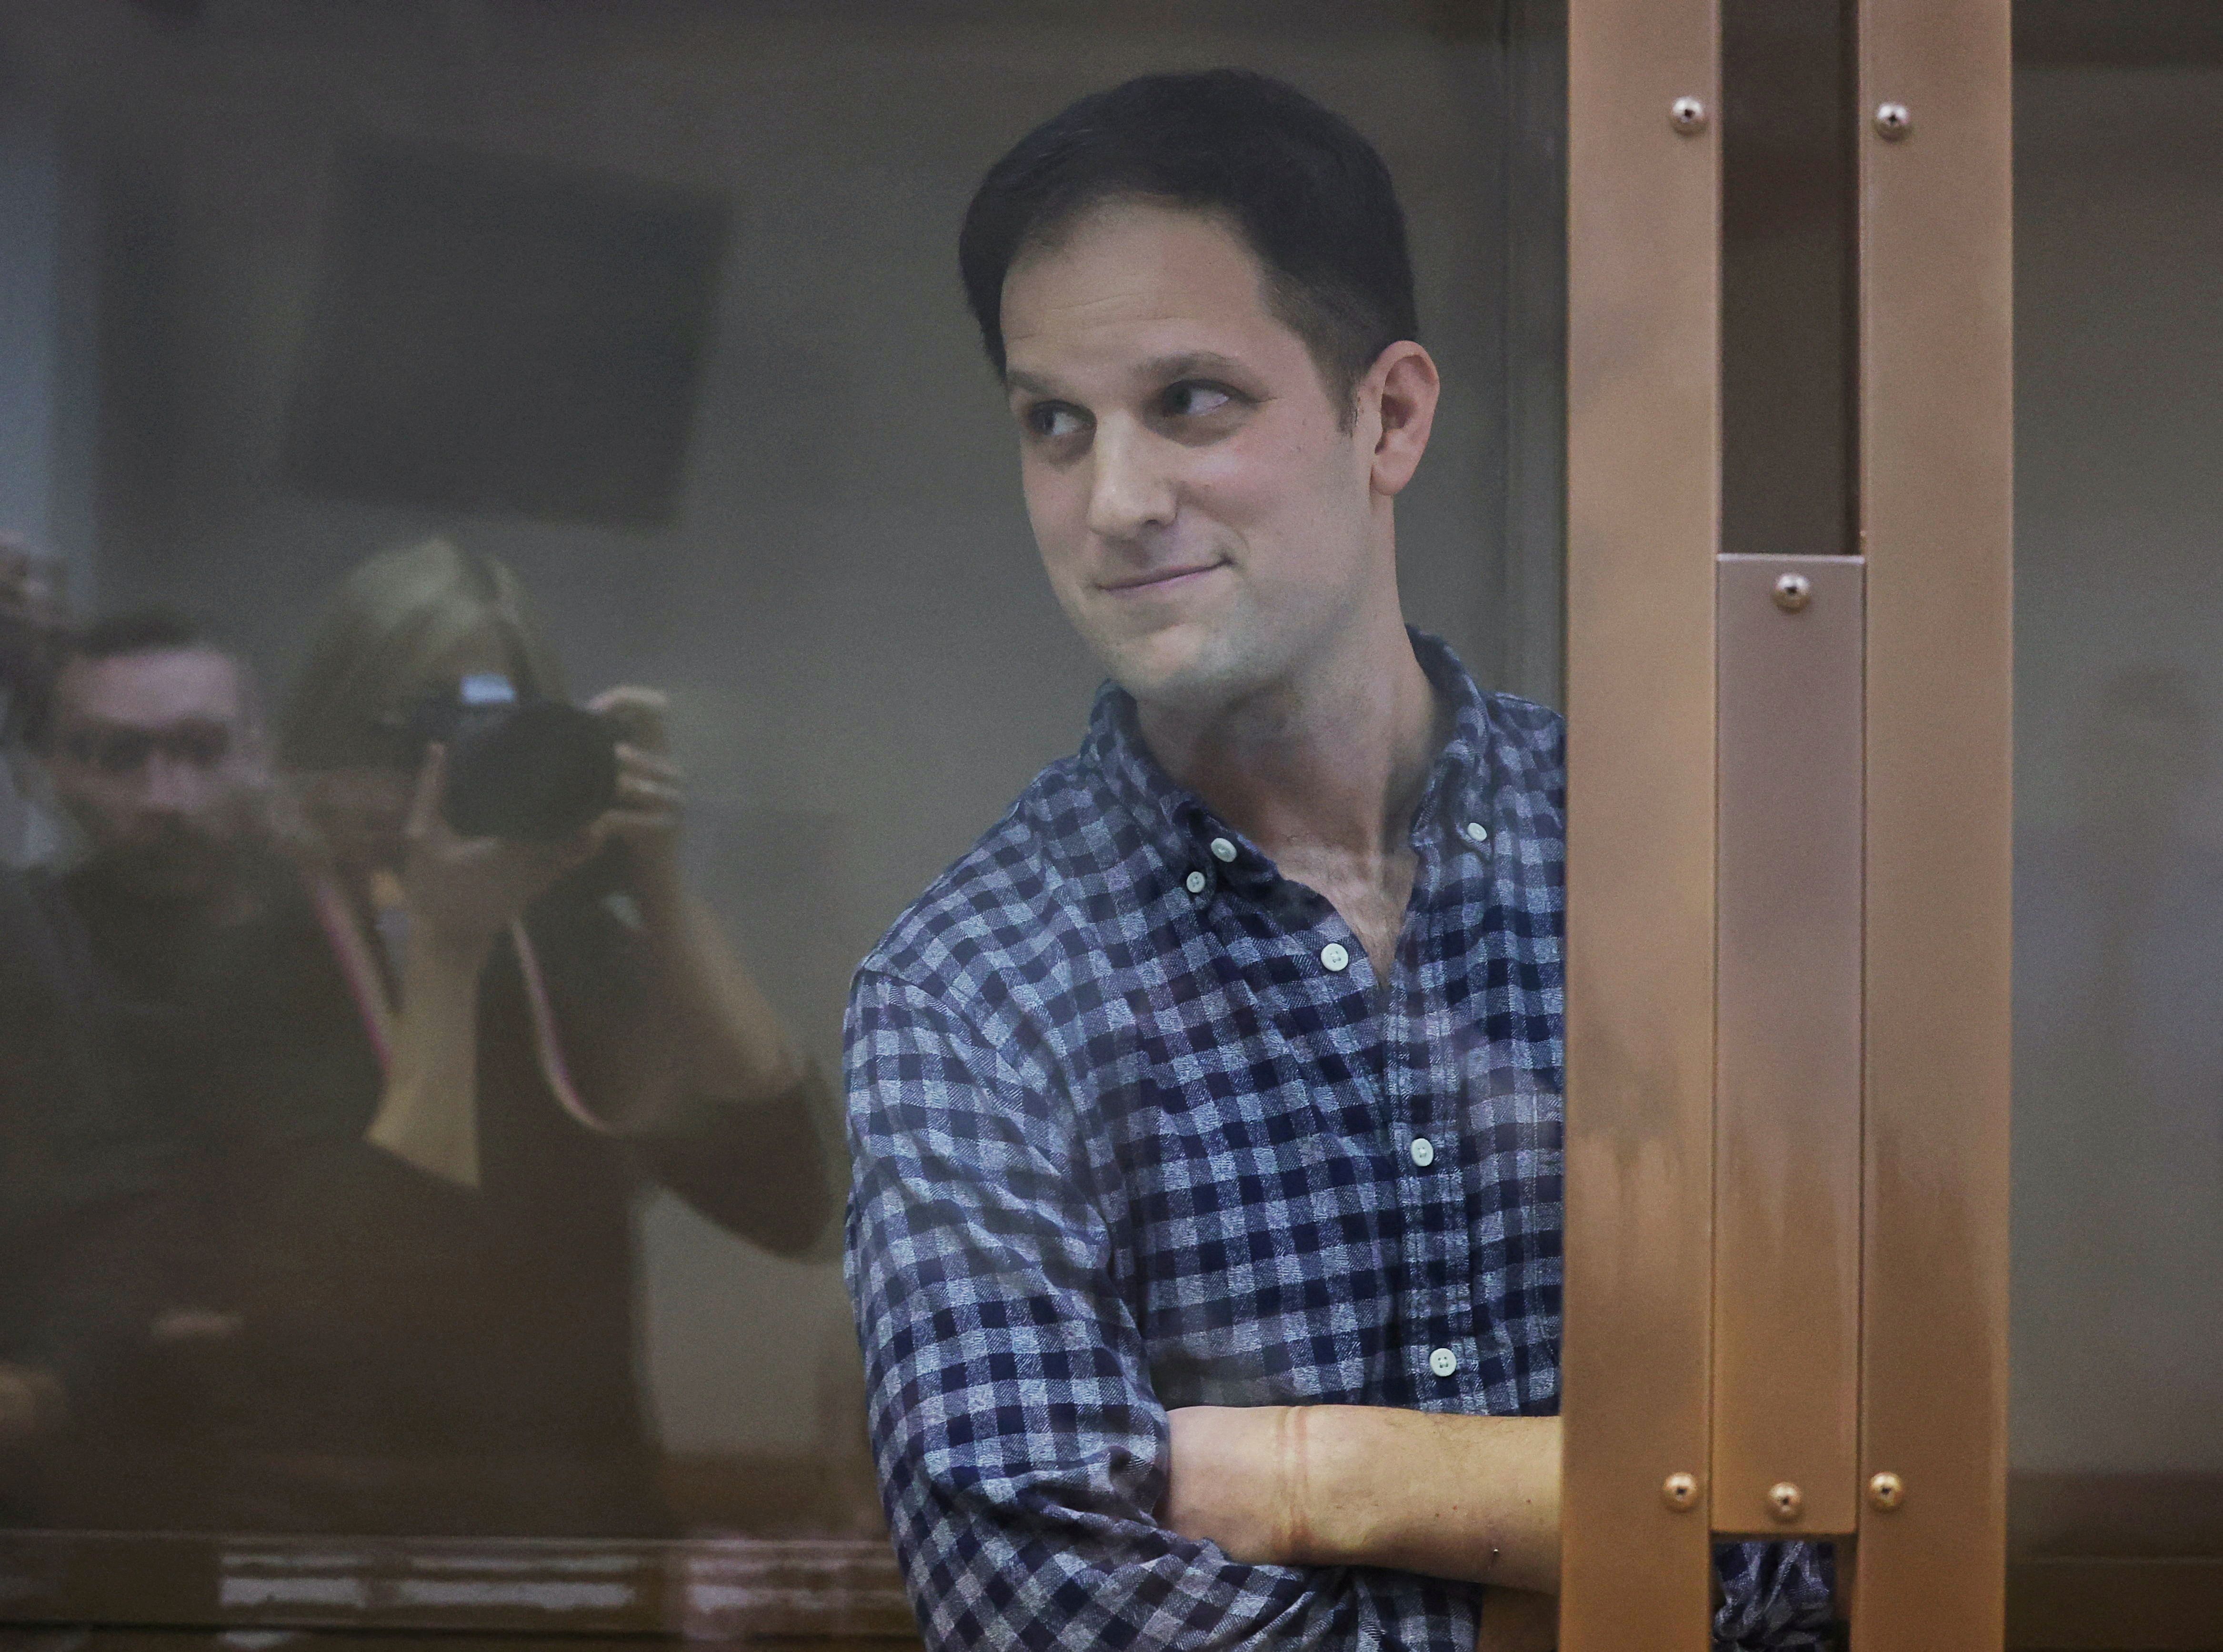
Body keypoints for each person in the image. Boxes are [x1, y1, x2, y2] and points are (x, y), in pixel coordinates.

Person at [842, 70, 1832, 1652]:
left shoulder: (1670, 864)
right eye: (1053, 421)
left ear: (1387, 414)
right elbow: (1038, 1610)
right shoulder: (967, 990)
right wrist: (1592, 1556)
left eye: (1189, 401)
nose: (1110, 502)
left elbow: (1829, 1535)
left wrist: (1323, 1477)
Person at [27, 553, 837, 1535]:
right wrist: (447, 949)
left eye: (495, 725)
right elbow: (366, 1270)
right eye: (425, 731)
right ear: (331, 738)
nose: (451, 767)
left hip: (583, 1527)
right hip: (332, 1548)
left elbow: (796, 1202)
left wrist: (659, 882)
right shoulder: (255, 956)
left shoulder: (563, 943)